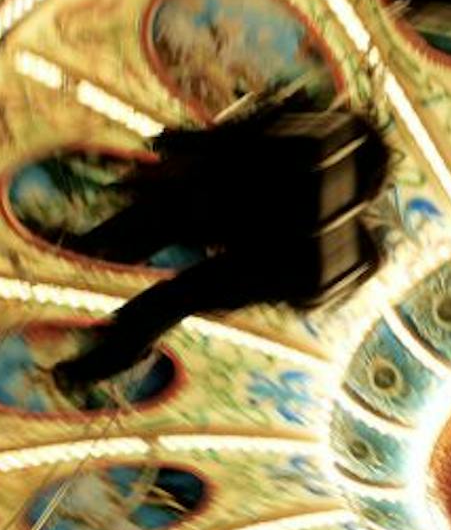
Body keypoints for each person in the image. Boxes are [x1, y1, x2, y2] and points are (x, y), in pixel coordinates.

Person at [53, 99, 390, 388]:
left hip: (273, 228)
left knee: (174, 224)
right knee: (182, 285)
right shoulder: (341, 173)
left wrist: (182, 142)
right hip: (290, 252)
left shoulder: (337, 135)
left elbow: (247, 138)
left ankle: (95, 255)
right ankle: (104, 352)